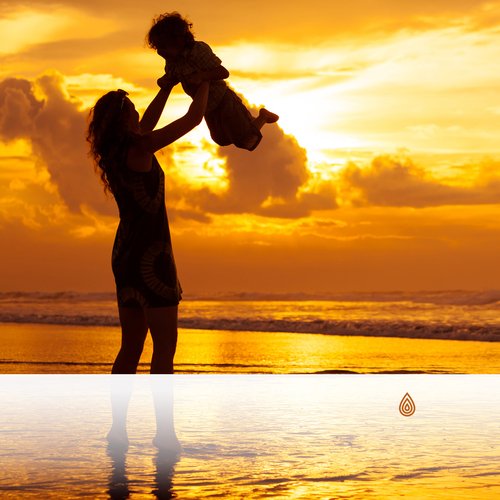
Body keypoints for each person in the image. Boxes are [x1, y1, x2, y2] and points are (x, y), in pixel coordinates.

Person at [86, 77, 209, 374]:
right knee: (165, 348)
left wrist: (167, 87)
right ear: (124, 118)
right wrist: (206, 81)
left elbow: (147, 123)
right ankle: (164, 423)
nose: (138, 112)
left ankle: (118, 422)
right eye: (132, 108)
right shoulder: (140, 146)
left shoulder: (116, 151)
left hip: (126, 253)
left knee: (131, 346)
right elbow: (193, 118)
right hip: (151, 256)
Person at [147, 11, 279, 151]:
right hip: (206, 107)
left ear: (177, 41)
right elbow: (173, 77)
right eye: (157, 48)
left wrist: (203, 76)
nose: (160, 52)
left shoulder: (198, 51)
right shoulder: (173, 62)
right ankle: (248, 120)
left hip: (223, 99)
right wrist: (165, 81)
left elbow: (223, 72)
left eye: (163, 46)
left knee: (244, 138)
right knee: (220, 139)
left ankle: (263, 116)